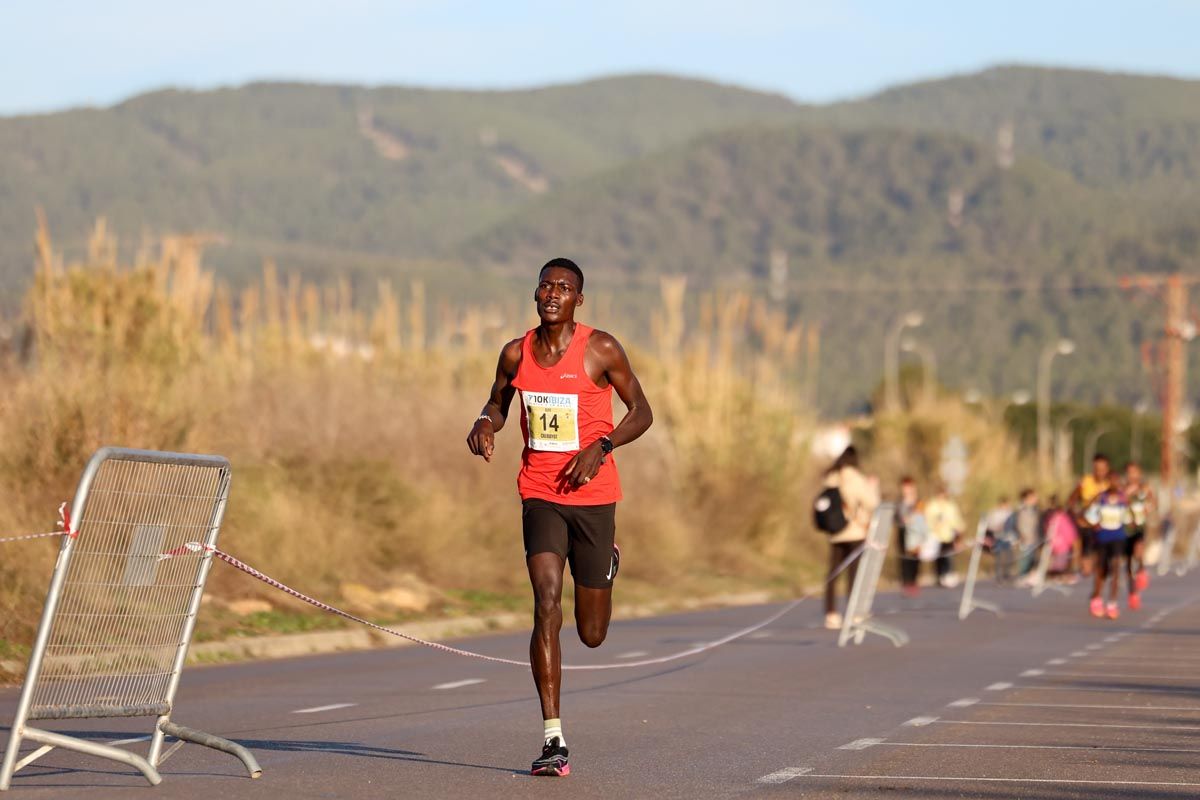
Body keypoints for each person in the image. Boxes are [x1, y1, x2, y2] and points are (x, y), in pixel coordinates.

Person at [466, 257, 653, 777]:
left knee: (592, 632)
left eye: (564, 288)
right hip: (540, 491)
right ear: (535, 293)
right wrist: (485, 424)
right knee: (546, 602)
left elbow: (642, 411)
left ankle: (605, 564)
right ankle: (553, 738)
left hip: (594, 496)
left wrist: (603, 443)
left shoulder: (601, 348)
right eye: (546, 285)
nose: (553, 294)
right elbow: (497, 402)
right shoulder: (514, 352)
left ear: (578, 300)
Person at [822, 446, 880, 629]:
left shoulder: (832, 478)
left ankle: (831, 613)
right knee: (854, 574)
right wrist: (873, 487)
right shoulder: (857, 479)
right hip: (856, 531)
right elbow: (872, 503)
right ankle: (854, 613)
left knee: (833, 573)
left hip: (836, 532)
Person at [1086, 482, 1130, 619]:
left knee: (1116, 567)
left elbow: (1129, 519)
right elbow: (1089, 517)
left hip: (1118, 538)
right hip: (1102, 539)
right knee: (1101, 569)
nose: (1113, 497)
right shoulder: (1100, 502)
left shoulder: (1122, 504)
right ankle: (1097, 598)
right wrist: (1094, 524)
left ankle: (1112, 603)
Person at [1070, 453, 1114, 578]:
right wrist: (1077, 515)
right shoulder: (1085, 481)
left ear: (1107, 468)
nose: (1100, 471)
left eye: (1103, 468)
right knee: (1087, 551)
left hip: (1105, 523)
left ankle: (1100, 568)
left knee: (1103, 553)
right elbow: (1072, 500)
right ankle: (1086, 569)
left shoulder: (1110, 483)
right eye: (1097, 468)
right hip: (1087, 522)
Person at [1122, 462, 1156, 609]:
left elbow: (1153, 502)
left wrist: (1149, 508)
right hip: (1125, 528)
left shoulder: (1145, 488)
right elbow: (1116, 500)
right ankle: (1132, 593)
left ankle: (1142, 569)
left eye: (1135, 472)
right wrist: (1126, 494)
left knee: (1139, 549)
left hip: (1139, 527)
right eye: (1129, 473)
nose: (1132, 476)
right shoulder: (1122, 488)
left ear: (1139, 474)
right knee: (1128, 562)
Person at [924, 485, 965, 588]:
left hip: (948, 536)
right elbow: (927, 520)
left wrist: (960, 534)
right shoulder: (932, 505)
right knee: (938, 558)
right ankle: (939, 576)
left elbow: (956, 521)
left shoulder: (950, 506)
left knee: (948, 556)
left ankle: (948, 575)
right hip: (936, 536)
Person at [895, 476, 926, 596]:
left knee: (915, 558)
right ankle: (906, 583)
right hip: (903, 532)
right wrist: (904, 520)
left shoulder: (918, 501)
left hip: (916, 534)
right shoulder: (899, 503)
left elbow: (923, 516)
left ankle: (914, 582)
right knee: (904, 559)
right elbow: (896, 518)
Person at [1014, 488, 1041, 576]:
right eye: (1033, 497)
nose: (1036, 498)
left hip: (1034, 540)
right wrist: (1022, 536)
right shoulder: (1021, 510)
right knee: (1025, 562)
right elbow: (1018, 525)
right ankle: (1023, 577)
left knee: (1033, 562)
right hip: (1025, 541)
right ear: (1026, 498)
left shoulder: (1035, 510)